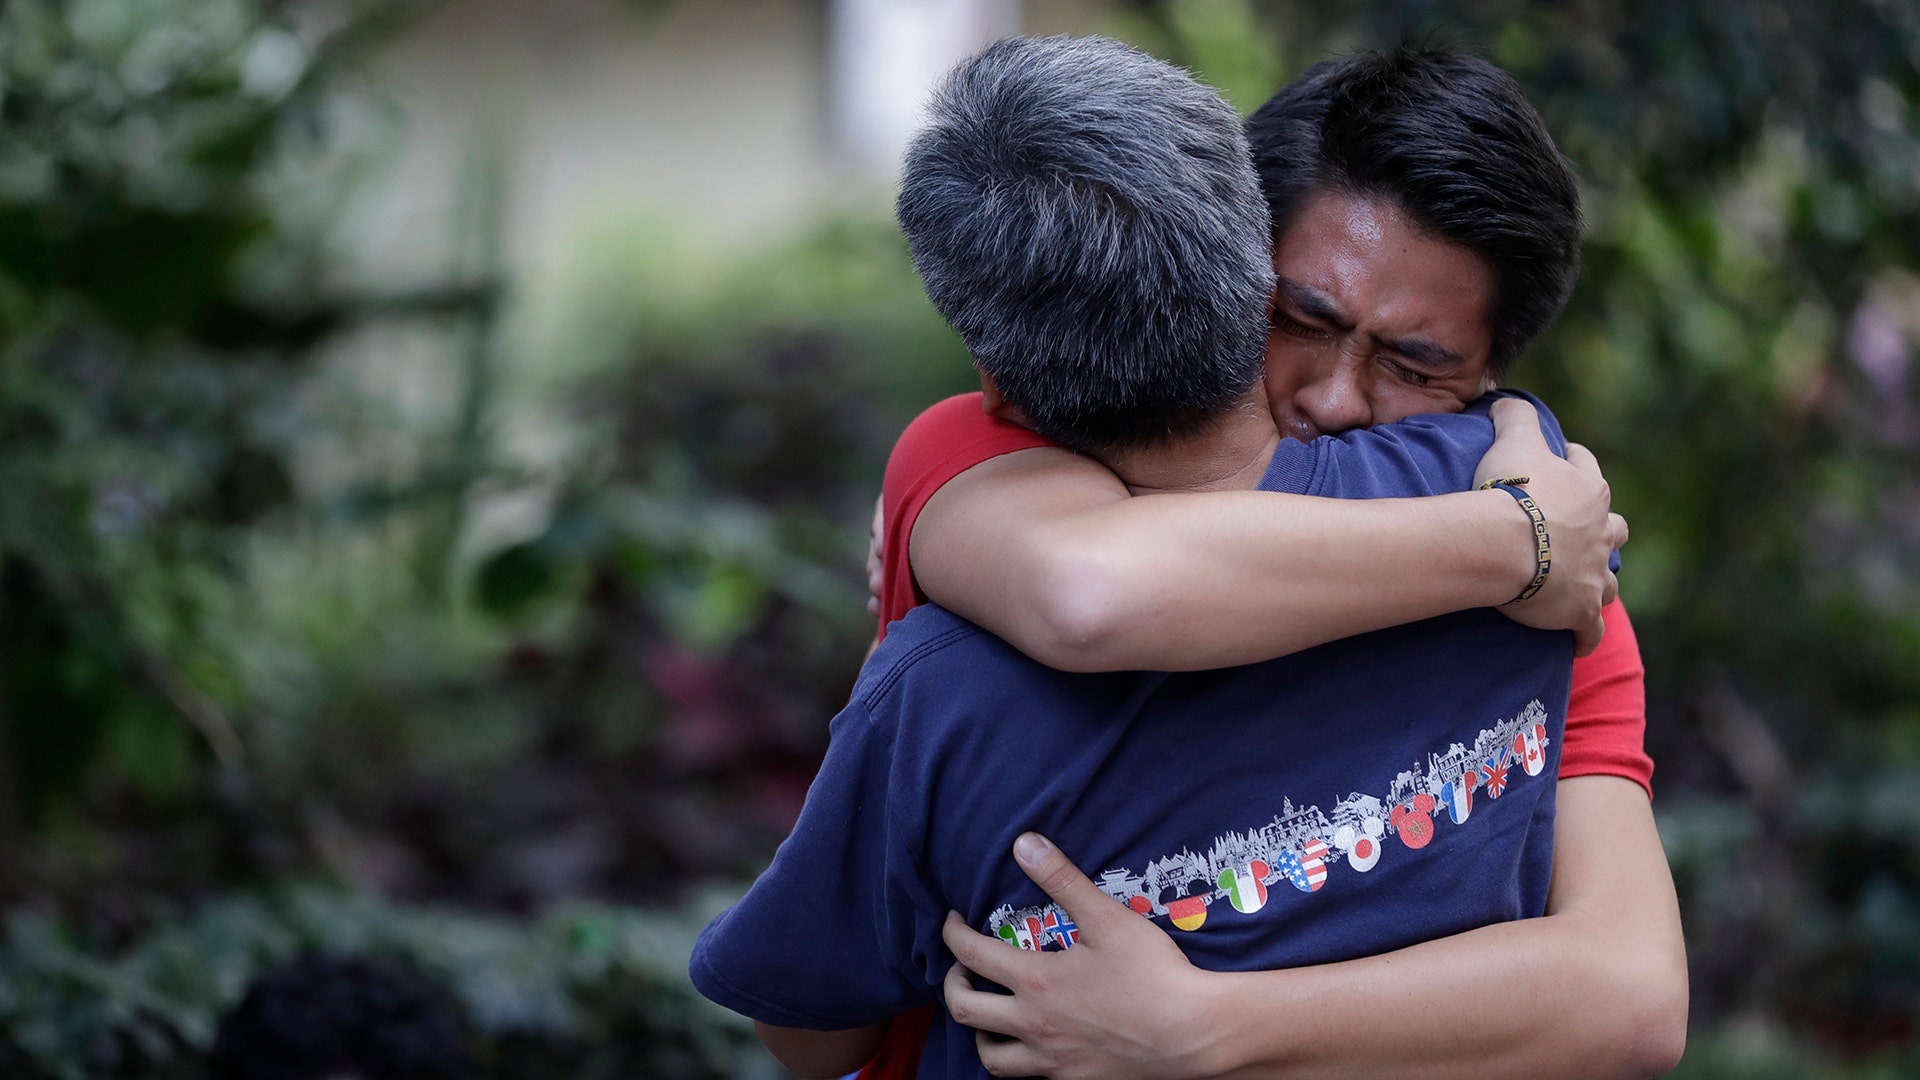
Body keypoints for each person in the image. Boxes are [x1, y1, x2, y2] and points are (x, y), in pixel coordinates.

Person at [689, 35, 1661, 1080]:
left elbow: (1629, 996)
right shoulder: (985, 455)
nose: (1335, 397)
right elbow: (1091, 591)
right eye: (1304, 317)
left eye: (1415, 364)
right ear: (1237, 255)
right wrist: (1512, 541)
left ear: (1485, 376)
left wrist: (1205, 1028)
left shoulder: (1560, 563)